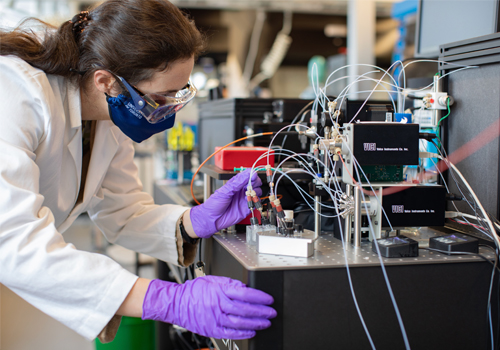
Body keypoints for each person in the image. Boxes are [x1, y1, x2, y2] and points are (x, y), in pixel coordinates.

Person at [0, 0, 276, 343]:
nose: (169, 111)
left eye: (178, 95)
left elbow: (122, 211)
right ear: (106, 82)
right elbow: (12, 240)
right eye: (161, 98)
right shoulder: (15, 92)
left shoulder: (108, 114)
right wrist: (165, 300)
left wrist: (192, 221)